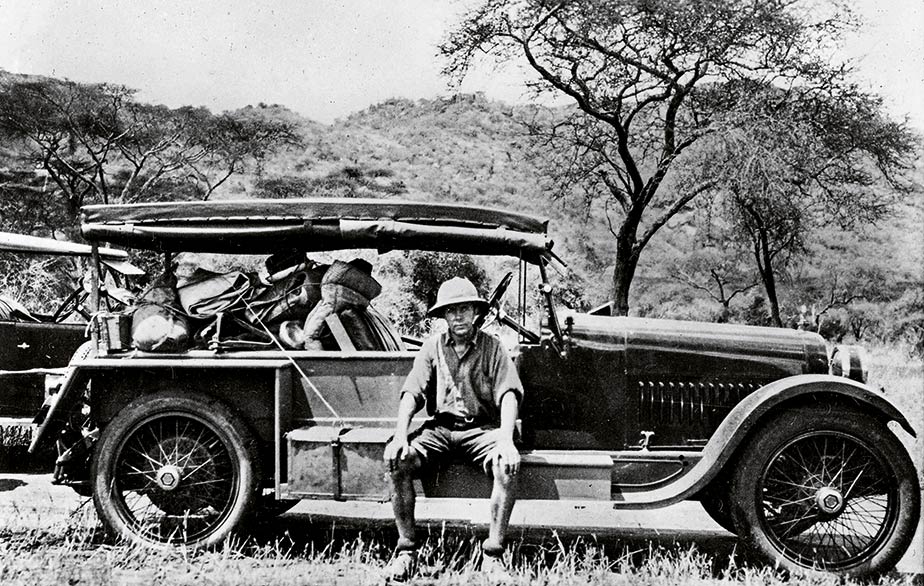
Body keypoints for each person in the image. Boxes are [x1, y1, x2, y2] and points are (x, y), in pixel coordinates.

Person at [383, 277, 523, 581]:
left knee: (507, 466)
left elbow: (509, 393)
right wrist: (400, 435)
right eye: (450, 311)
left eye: (464, 309)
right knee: (397, 461)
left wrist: (505, 439)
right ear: (443, 316)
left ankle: (493, 555)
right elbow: (412, 392)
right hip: (441, 430)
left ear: (475, 312)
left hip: (481, 430)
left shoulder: (492, 348)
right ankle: (406, 551)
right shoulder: (432, 347)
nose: (458, 317)